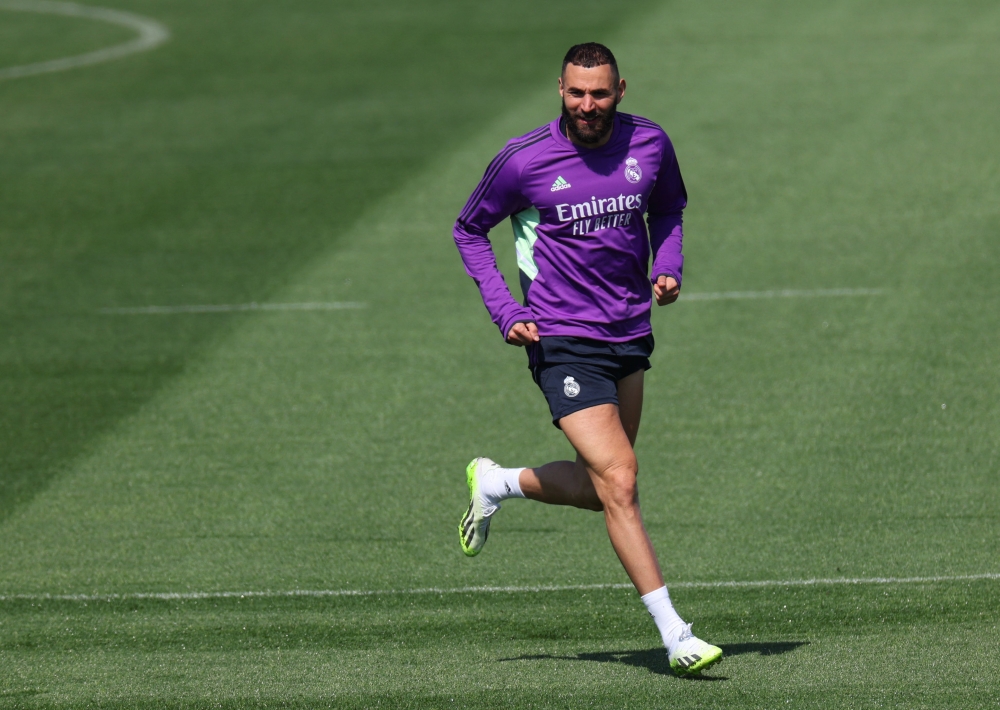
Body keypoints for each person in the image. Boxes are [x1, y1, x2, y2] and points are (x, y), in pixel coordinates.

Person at [452, 42, 722, 676]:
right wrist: (504, 309)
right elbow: (469, 229)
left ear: (620, 89)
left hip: (628, 330)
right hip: (560, 335)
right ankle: (675, 633)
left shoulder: (650, 143)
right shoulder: (524, 161)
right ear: (560, 89)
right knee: (622, 480)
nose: (587, 105)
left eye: (599, 93)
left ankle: (497, 482)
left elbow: (670, 207)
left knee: (602, 490)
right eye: (576, 93)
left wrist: (668, 263)